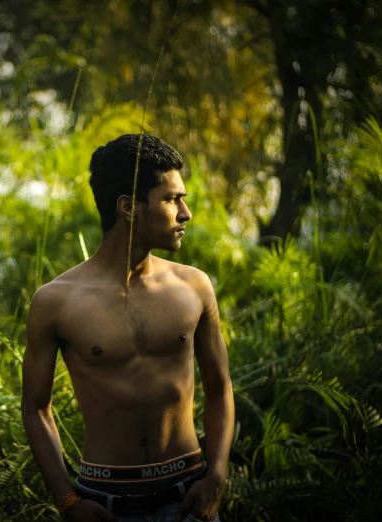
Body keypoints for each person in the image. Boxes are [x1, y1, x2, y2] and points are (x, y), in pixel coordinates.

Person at [20, 134, 234, 522]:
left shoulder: (194, 287)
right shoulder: (56, 301)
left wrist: (216, 475)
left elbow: (219, 388)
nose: (185, 213)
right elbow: (35, 407)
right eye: (172, 199)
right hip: (103, 505)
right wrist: (68, 502)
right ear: (128, 208)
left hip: (190, 497)